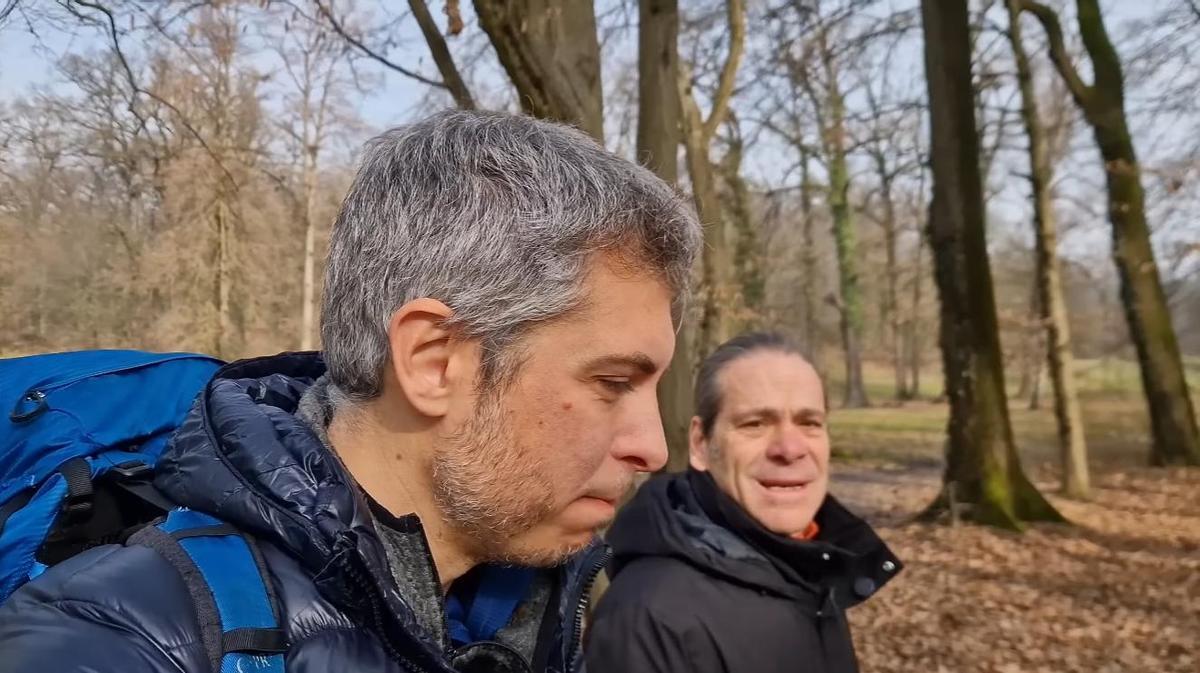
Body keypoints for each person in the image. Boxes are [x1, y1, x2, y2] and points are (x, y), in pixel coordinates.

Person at [0, 110, 701, 673]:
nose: (652, 446)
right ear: (433, 360)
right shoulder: (112, 644)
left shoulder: (534, 610)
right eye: (613, 382)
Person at [586, 332, 902, 673]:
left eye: (809, 423)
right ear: (700, 444)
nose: (790, 448)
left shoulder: (808, 563)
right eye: (755, 424)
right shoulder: (648, 621)